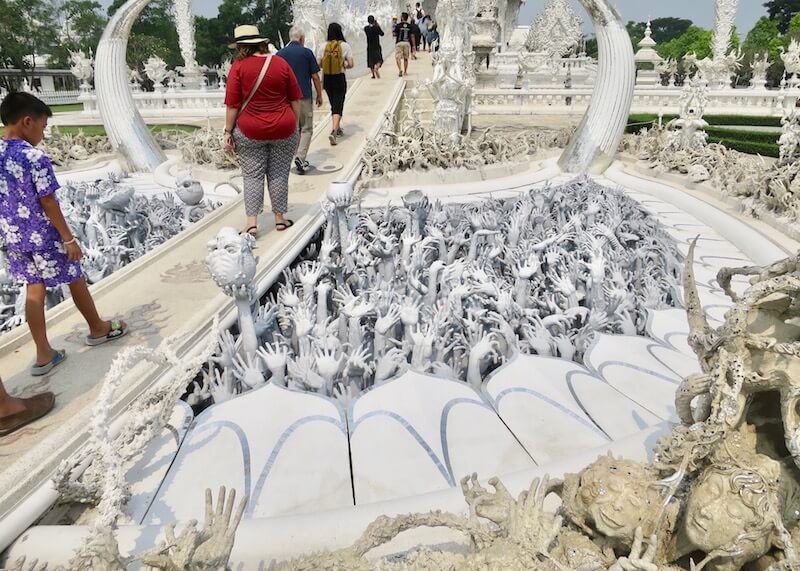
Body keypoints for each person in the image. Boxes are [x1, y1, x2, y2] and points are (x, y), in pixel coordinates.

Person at [0, 92, 128, 377]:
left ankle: (44, 354)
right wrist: (69, 238)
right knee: (75, 276)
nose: (43, 135)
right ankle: (97, 328)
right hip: (43, 235)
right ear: (27, 122)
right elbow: (48, 201)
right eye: (43, 128)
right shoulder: (34, 157)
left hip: (14, 237)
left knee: (34, 289)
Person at [224, 24, 303, 235]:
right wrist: (294, 126)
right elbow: (295, 98)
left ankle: (251, 223)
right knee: (278, 174)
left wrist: (227, 131)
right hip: (284, 127)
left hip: (250, 130)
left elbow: (232, 104)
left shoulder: (238, 67)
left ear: (241, 47)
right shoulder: (281, 63)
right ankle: (279, 219)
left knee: (252, 176)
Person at [277, 25, 323, 176]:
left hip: (286, 99)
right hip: (303, 97)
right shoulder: (306, 53)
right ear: (302, 39)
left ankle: (293, 156)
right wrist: (320, 94)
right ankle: (300, 157)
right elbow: (315, 76)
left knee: (293, 129)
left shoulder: (280, 54)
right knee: (306, 128)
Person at [317, 23, 354, 146]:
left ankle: (337, 128)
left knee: (334, 104)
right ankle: (334, 130)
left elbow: (319, 64)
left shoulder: (323, 46)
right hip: (339, 77)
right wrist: (342, 64)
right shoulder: (345, 46)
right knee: (339, 103)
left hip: (327, 78)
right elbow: (351, 64)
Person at [394, 12, 415, 77]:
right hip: (406, 43)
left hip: (399, 43)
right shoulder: (409, 26)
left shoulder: (398, 25)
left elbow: (394, 34)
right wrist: (413, 45)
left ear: (402, 17)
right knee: (406, 58)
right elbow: (412, 36)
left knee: (398, 57)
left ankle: (400, 69)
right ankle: (405, 71)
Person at [364, 15, 385, 79]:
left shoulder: (366, 28)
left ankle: (373, 74)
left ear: (368, 21)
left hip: (370, 47)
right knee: (379, 59)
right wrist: (377, 24)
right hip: (377, 46)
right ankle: (377, 68)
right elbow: (382, 34)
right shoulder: (376, 28)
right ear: (374, 21)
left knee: (371, 61)